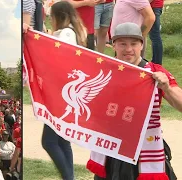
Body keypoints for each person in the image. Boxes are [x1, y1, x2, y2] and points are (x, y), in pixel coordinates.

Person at [90, 22, 181, 180]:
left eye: (134, 43)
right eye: (122, 44)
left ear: (141, 45)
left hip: (146, 150)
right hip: (110, 152)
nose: (128, 49)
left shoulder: (155, 72)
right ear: (113, 45)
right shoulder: (103, 71)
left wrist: (166, 87)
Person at [24, 1, 87, 180]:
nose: (51, 20)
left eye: (51, 17)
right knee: (61, 139)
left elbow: (59, 56)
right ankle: (70, 177)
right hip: (62, 93)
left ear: (59, 17)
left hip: (60, 93)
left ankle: (68, 178)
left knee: (49, 141)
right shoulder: (71, 32)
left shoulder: (66, 33)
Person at [149, 0, 164, 65]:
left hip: (154, 6)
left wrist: (144, 3)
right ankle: (155, 61)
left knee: (155, 36)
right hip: (155, 6)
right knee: (154, 36)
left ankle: (157, 63)